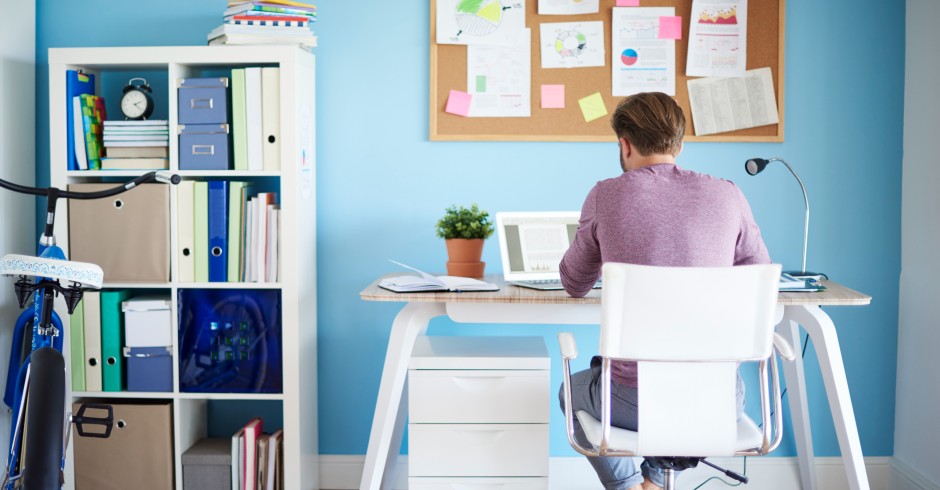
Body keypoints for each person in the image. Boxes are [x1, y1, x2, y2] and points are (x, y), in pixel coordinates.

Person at [558, 92, 771, 490]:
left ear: (625, 144)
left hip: (631, 405)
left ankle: (628, 488)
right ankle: (655, 480)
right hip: (719, 402)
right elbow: (758, 280)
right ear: (680, 143)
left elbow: (574, 283)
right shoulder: (729, 194)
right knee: (679, 371)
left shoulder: (606, 194)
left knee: (571, 388)